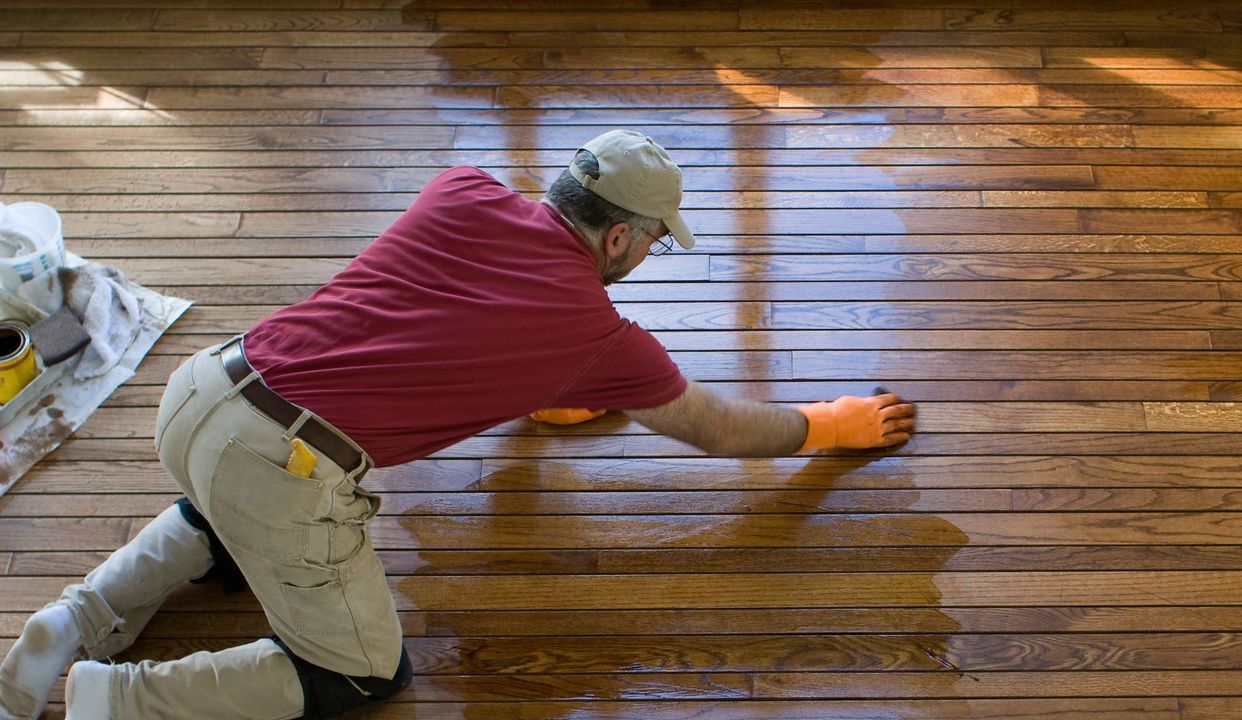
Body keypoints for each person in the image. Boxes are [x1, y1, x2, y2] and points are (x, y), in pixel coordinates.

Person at [0, 130, 916, 720]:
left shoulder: (459, 190)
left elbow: (448, 318)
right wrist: (828, 425)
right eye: (653, 241)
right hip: (278, 465)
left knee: (222, 518)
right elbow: (717, 430)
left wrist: (545, 388)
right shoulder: (599, 333)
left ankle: (72, 617)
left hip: (202, 390)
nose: (647, 258)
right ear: (620, 239)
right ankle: (109, 695)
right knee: (358, 676)